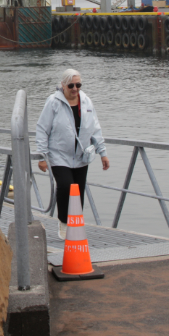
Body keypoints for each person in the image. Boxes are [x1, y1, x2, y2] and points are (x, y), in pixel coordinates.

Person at [35, 68, 110, 240]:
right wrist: (42, 156)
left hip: (81, 156)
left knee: (78, 191)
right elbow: (42, 129)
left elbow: (95, 128)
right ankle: (63, 221)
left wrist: (103, 153)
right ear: (63, 85)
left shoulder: (86, 102)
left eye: (78, 85)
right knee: (66, 186)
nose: (75, 89)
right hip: (59, 155)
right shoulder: (53, 102)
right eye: (71, 85)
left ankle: (75, 224)